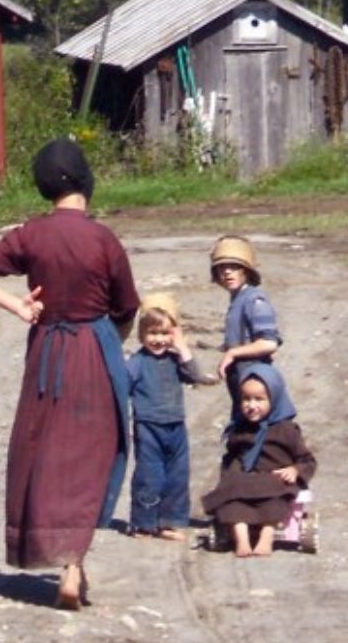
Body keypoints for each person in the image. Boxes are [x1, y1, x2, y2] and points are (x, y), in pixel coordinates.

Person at [0, 139, 139, 611]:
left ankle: (62, 557)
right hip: (95, 351)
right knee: (91, 454)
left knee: (47, 455)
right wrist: (112, 342)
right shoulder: (103, 239)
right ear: (85, 181)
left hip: (47, 356)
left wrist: (19, 304)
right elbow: (127, 306)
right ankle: (73, 565)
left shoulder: (31, 235)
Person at [200, 361, 316, 557]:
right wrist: (231, 474)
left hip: (274, 480)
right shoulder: (240, 426)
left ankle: (266, 536)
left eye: (259, 399)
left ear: (275, 399)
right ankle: (242, 539)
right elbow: (233, 453)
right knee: (232, 500)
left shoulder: (286, 429)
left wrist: (295, 470)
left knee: (275, 501)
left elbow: (307, 459)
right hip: (245, 479)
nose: (251, 406)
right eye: (246, 399)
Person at [124, 294, 213, 541]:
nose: (159, 340)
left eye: (165, 333)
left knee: (177, 475)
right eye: (152, 333)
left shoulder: (176, 360)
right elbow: (122, 389)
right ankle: (143, 523)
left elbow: (196, 376)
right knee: (149, 475)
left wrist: (183, 347)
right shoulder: (137, 362)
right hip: (148, 426)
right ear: (141, 334)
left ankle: (169, 522)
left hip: (175, 425)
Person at [211, 235, 281, 386]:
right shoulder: (238, 299)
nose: (227, 272)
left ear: (246, 271)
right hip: (240, 377)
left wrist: (233, 352)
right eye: (222, 267)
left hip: (254, 378)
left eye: (234, 267)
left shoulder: (254, 300)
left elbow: (269, 343)